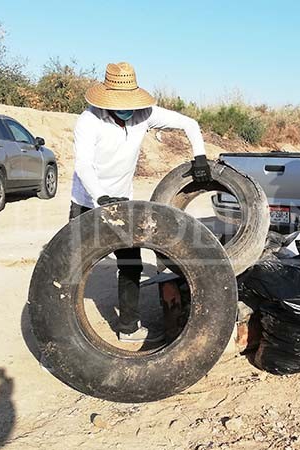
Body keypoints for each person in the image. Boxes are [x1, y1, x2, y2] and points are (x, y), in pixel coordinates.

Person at [70, 62, 211, 342]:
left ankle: (128, 328)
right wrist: (101, 197)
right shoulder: (89, 120)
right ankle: (64, 337)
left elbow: (189, 124)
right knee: (73, 269)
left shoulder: (144, 115)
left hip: (124, 199)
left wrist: (200, 156)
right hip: (87, 199)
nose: (126, 108)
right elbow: (84, 166)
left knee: (131, 263)